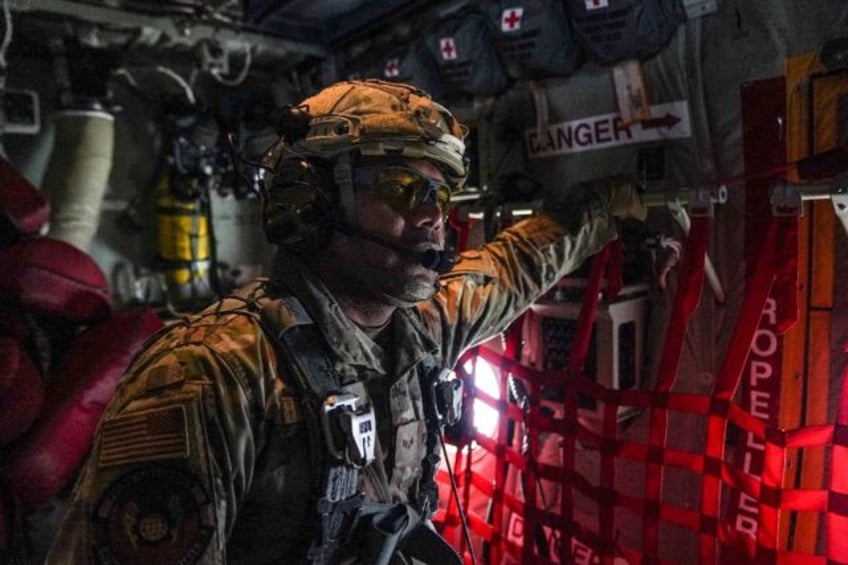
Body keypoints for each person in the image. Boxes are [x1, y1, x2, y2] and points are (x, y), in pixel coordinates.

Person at [46, 79, 646, 564]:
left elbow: (514, 267)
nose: (432, 219)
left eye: (438, 197)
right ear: (309, 202)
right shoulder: (210, 373)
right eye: (401, 186)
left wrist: (608, 204)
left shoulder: (420, 328)